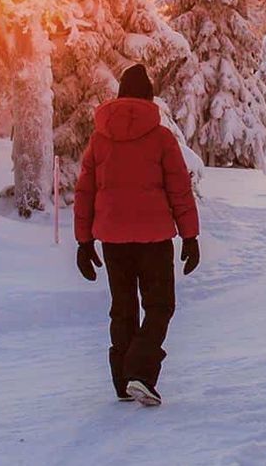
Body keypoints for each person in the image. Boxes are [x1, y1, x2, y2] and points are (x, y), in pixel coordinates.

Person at [74, 64, 199, 406]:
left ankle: (122, 380)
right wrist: (190, 236)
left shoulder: (100, 139)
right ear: (148, 96)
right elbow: (179, 190)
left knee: (123, 307)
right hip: (155, 239)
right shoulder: (160, 138)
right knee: (160, 305)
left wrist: (83, 242)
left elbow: (84, 192)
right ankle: (140, 373)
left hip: (113, 240)